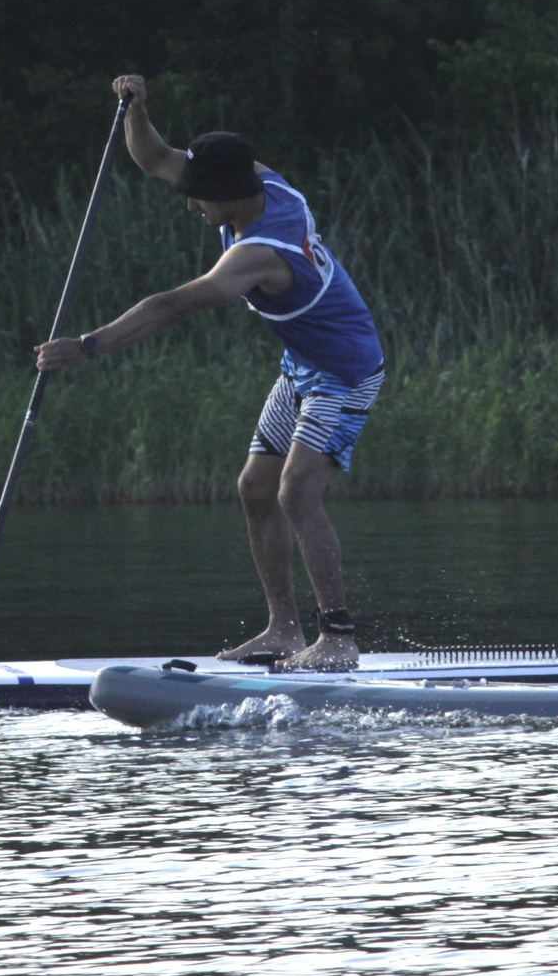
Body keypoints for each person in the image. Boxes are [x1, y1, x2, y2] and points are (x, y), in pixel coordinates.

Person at [35, 75, 386, 671]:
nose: (191, 203)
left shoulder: (258, 254)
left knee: (297, 491)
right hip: (300, 366)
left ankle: (339, 638)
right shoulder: (259, 182)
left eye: (199, 197)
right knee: (254, 489)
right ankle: (282, 630)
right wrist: (137, 109)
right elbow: (152, 158)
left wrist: (88, 346)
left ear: (226, 192)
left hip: (344, 372)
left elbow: (172, 305)